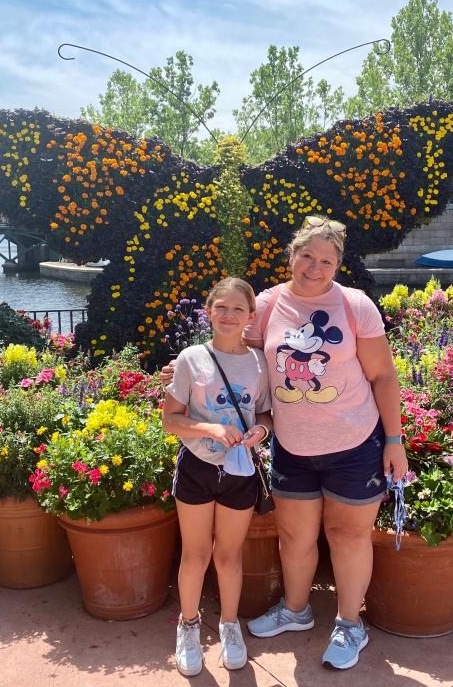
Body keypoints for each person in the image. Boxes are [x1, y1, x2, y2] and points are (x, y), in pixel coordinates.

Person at [161, 216, 409, 670]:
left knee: (348, 535)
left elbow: (383, 376)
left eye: (326, 260)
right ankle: (296, 610)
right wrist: (187, 376)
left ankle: (350, 623)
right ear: (292, 255)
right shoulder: (271, 304)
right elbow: (239, 361)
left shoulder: (355, 305)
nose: (314, 267)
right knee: (294, 536)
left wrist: (394, 439)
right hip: (292, 446)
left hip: (354, 443)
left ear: (338, 264)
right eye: (307, 256)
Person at [162, 277, 274, 677]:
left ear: (250, 315)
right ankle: (188, 625)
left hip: (240, 470)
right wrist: (208, 429)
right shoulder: (192, 358)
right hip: (197, 468)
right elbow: (170, 419)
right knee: (195, 554)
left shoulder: (259, 362)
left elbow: (264, 413)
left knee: (228, 555)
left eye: (237, 309)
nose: (228, 315)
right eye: (221, 307)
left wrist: (260, 432)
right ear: (208, 310)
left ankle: (229, 624)